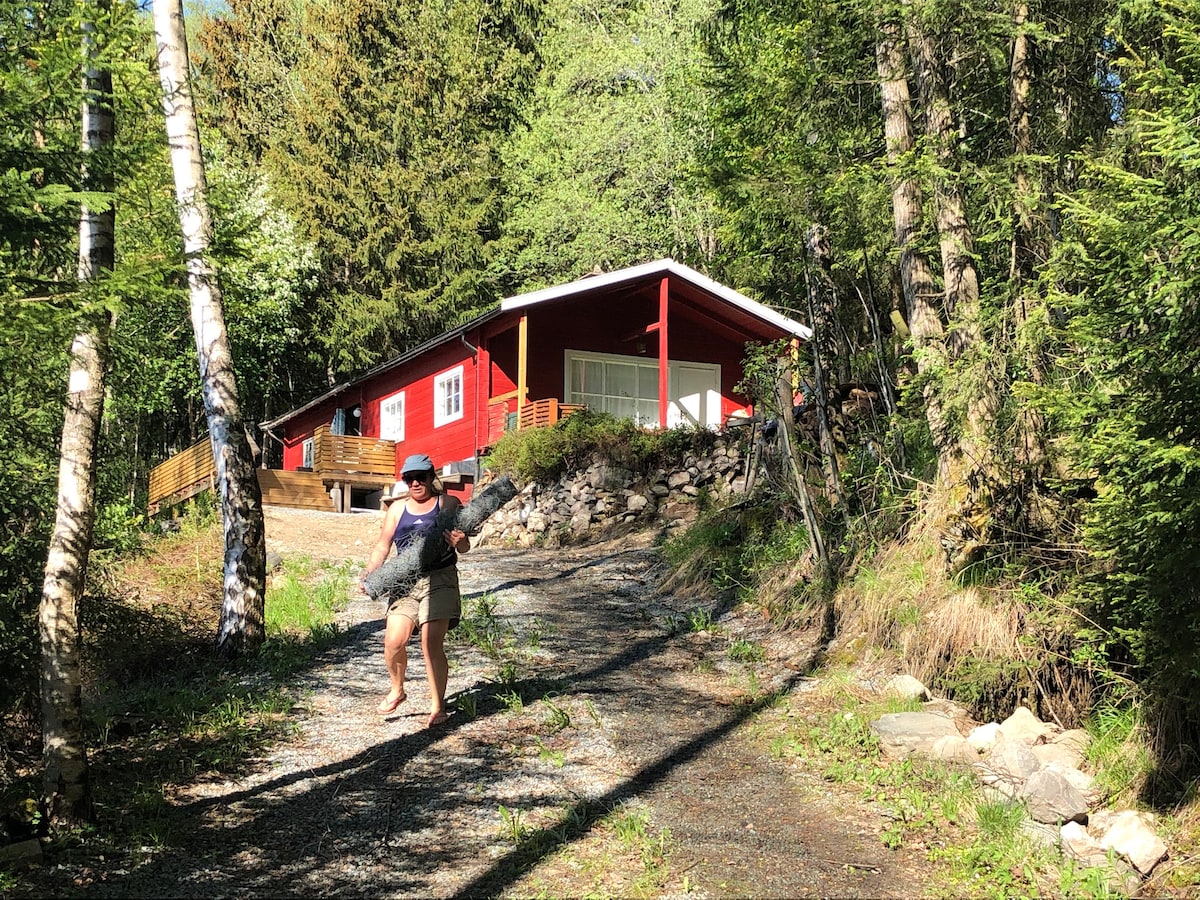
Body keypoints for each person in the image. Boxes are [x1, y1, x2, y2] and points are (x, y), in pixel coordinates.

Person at [363, 453, 470, 727]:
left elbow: (464, 546)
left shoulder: (447, 503)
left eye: (420, 477)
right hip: (405, 583)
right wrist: (371, 570)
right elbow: (383, 545)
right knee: (393, 642)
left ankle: (438, 706)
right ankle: (397, 689)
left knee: (430, 642)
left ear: (431, 476)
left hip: (440, 579)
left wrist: (460, 542)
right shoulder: (397, 509)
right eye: (409, 478)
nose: (415, 483)